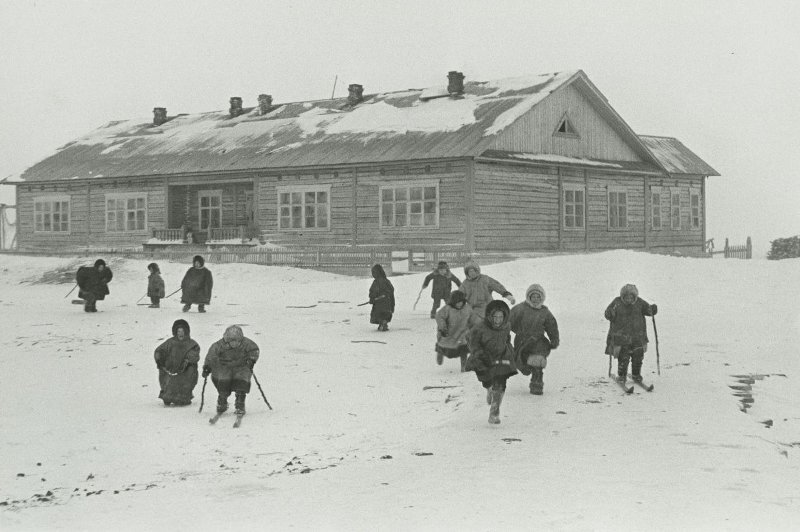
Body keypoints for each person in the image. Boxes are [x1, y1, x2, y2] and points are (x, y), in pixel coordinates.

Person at [465, 300, 517, 424]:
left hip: (501, 357)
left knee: (500, 383)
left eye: (501, 317)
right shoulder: (479, 328)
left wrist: (510, 350)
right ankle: (489, 389)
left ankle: (494, 411)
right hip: (484, 358)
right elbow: (473, 345)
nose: (498, 320)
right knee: (487, 380)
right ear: (490, 316)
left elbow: (507, 339)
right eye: (495, 317)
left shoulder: (506, 326)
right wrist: (482, 355)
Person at [509, 284, 560, 395]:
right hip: (522, 341)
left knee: (537, 361)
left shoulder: (545, 312)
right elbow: (508, 321)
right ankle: (528, 369)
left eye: (538, 297)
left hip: (538, 341)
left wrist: (554, 339)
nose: (536, 299)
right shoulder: (520, 309)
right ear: (529, 297)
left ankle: (537, 383)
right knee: (523, 363)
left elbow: (552, 326)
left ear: (542, 298)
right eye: (533, 297)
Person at [604, 284, 657, 383]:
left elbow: (648, 310)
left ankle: (636, 375)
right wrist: (610, 313)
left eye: (631, 297)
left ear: (634, 296)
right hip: (622, 338)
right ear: (622, 296)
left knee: (638, 357)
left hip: (638, 337)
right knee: (623, 358)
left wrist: (652, 309)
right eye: (626, 297)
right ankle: (622, 376)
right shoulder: (617, 302)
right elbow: (608, 313)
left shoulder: (640, 303)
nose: (629, 299)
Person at [202, 325, 260, 416]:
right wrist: (207, 366)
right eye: (231, 341)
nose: (234, 344)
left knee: (242, 381)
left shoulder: (247, 343)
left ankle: (240, 403)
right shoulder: (219, 345)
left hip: (241, 366)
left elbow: (254, 350)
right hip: (224, 367)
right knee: (223, 382)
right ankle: (222, 400)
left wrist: (251, 360)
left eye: (236, 341)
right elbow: (211, 356)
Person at [154, 319, 200, 406]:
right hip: (170, 370)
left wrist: (187, 362)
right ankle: (168, 395)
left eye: (182, 331)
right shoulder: (170, 342)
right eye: (178, 331)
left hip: (184, 371)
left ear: (186, 332)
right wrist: (159, 360)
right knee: (169, 388)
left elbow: (194, 355)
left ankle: (184, 397)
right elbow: (159, 351)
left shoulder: (192, 344)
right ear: (175, 332)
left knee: (189, 373)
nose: (180, 333)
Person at [458, 261, 515, 326]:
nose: (472, 273)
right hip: (474, 309)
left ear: (477, 270)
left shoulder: (485, 279)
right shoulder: (465, 284)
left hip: (488, 307)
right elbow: (459, 296)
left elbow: (497, 286)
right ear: (467, 273)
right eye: (470, 272)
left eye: (473, 271)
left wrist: (508, 296)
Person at [434, 291, 473, 371]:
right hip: (448, 332)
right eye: (457, 303)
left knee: (464, 348)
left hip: (462, 332)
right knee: (443, 345)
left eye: (461, 302)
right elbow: (439, 316)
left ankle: (464, 366)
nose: (459, 304)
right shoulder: (447, 309)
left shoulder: (467, 308)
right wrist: (442, 327)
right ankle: (440, 353)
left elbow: (472, 318)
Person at [369, 264, 395, 331]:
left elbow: (373, 291)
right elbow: (391, 290)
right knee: (385, 315)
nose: (373, 274)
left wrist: (372, 298)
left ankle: (382, 323)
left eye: (374, 273)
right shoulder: (386, 281)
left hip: (379, 303)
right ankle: (383, 323)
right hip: (387, 303)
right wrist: (392, 303)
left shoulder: (376, 282)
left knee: (378, 314)